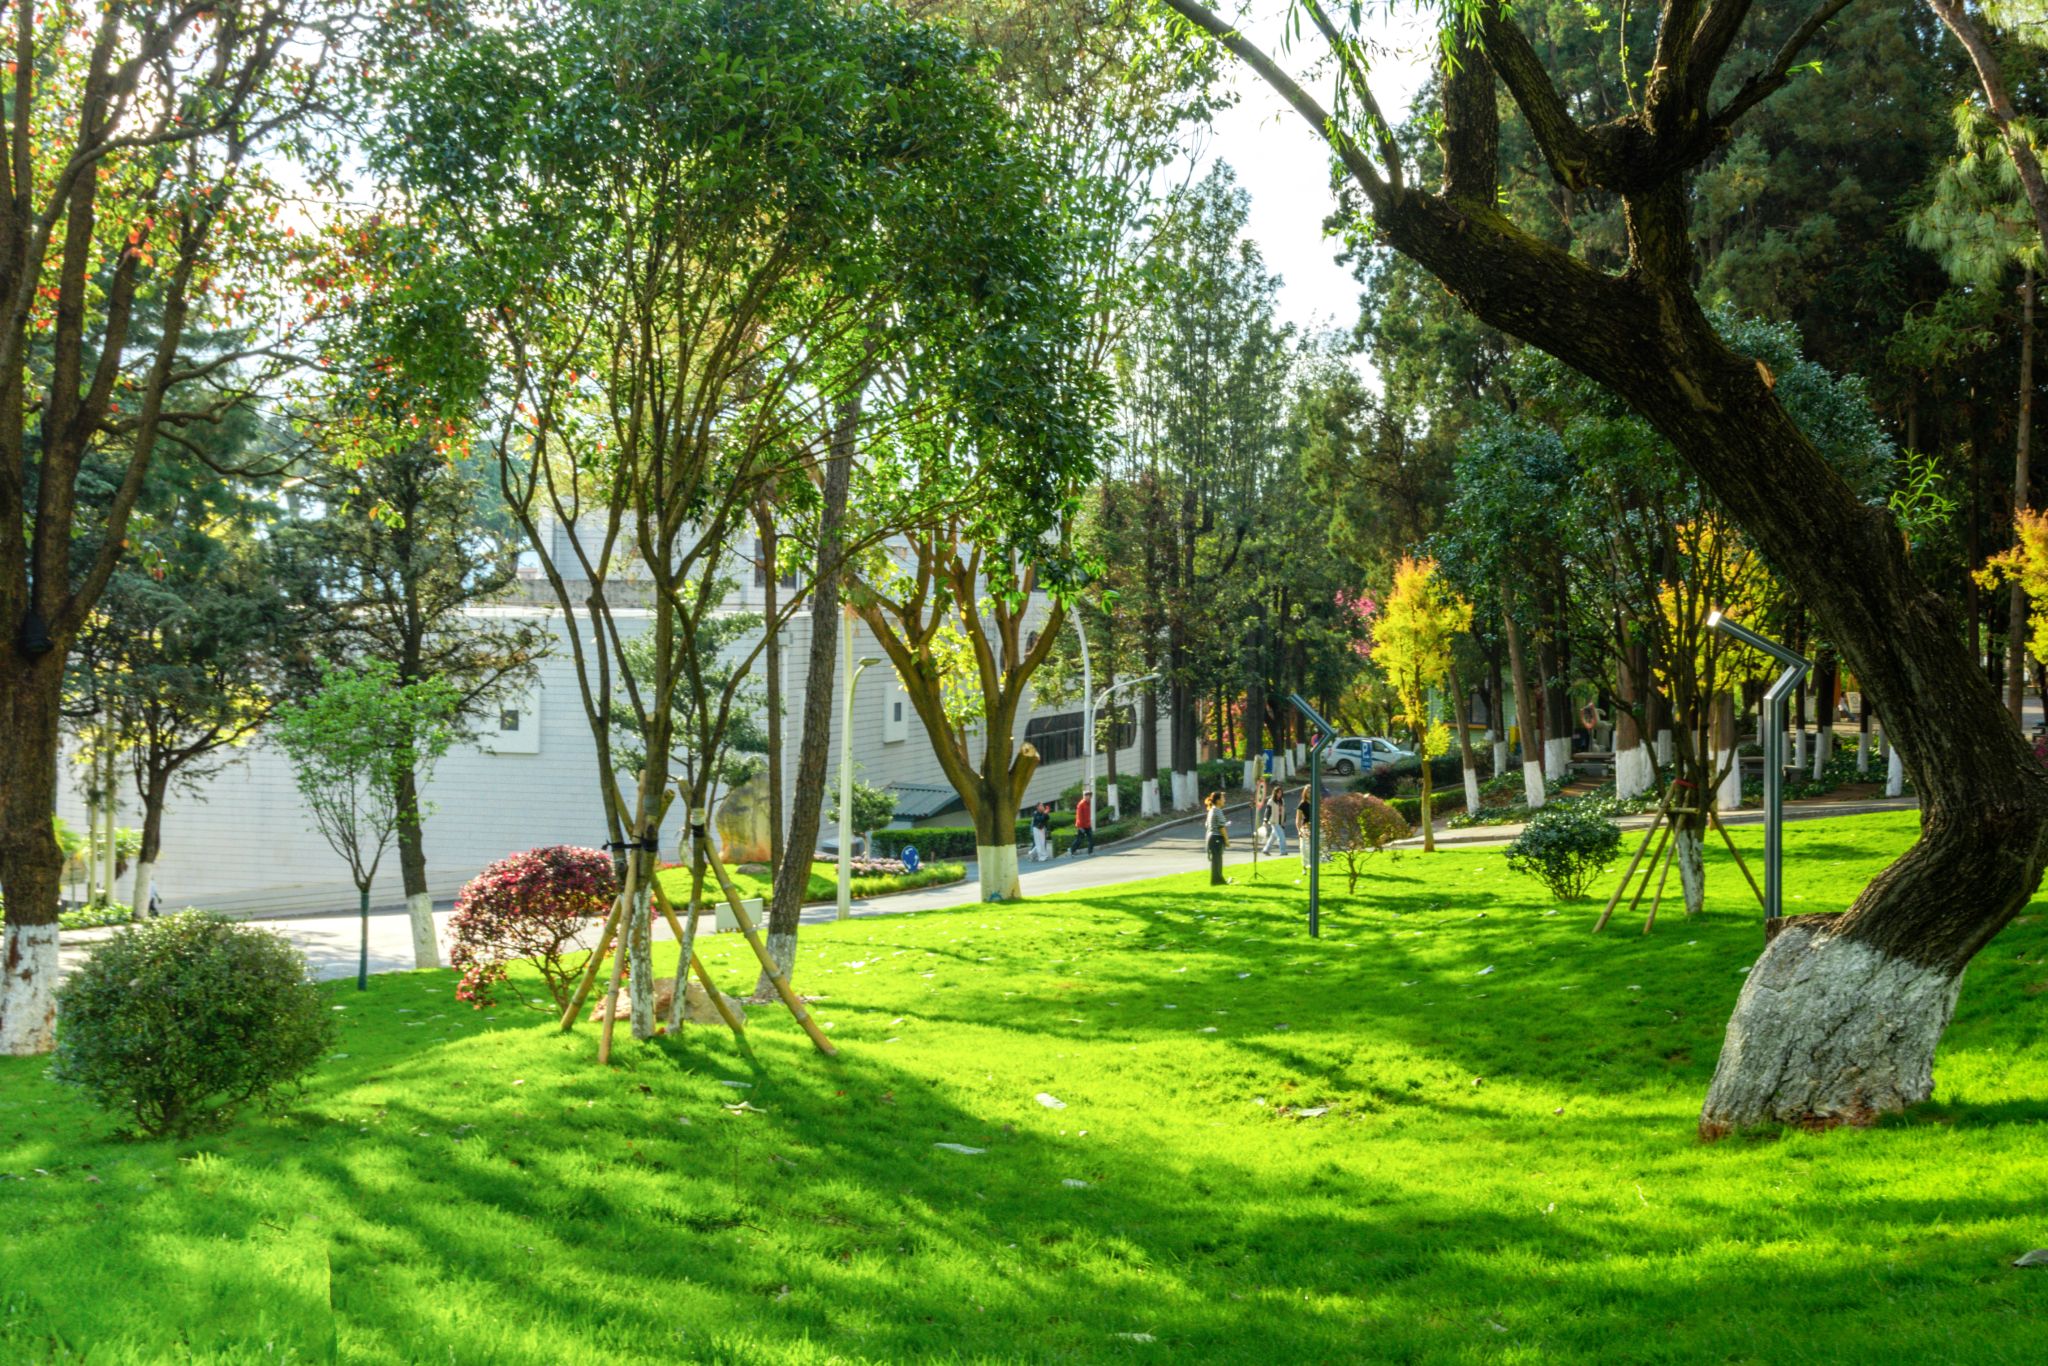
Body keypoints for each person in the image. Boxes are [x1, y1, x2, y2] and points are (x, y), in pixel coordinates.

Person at [1203, 790, 1229, 885]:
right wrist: (1226, 840)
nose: (1224, 800)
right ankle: (1217, 881)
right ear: (1218, 801)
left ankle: (1218, 880)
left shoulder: (1211, 810)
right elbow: (1221, 827)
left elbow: (1207, 825)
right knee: (1217, 860)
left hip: (1211, 837)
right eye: (1223, 798)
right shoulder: (1217, 811)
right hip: (1216, 838)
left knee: (1216, 860)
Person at [1261, 782, 1287, 856]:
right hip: (1274, 822)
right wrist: (1265, 820)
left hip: (1280, 822)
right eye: (1278, 793)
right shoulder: (1271, 801)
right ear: (1275, 793)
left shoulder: (1282, 801)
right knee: (1281, 836)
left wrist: (1284, 820)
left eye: (1281, 793)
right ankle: (1283, 851)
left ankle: (1266, 850)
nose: (1280, 794)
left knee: (1273, 837)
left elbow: (1284, 812)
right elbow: (1268, 811)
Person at [1070, 788, 1095, 856]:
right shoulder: (1081, 804)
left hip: (1087, 825)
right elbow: (1079, 816)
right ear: (1085, 796)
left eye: (1090, 795)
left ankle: (1090, 852)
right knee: (1079, 840)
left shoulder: (1088, 803)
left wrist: (1089, 823)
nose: (1089, 797)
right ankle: (1072, 850)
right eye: (1088, 795)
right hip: (1082, 825)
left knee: (1091, 838)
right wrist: (1080, 827)